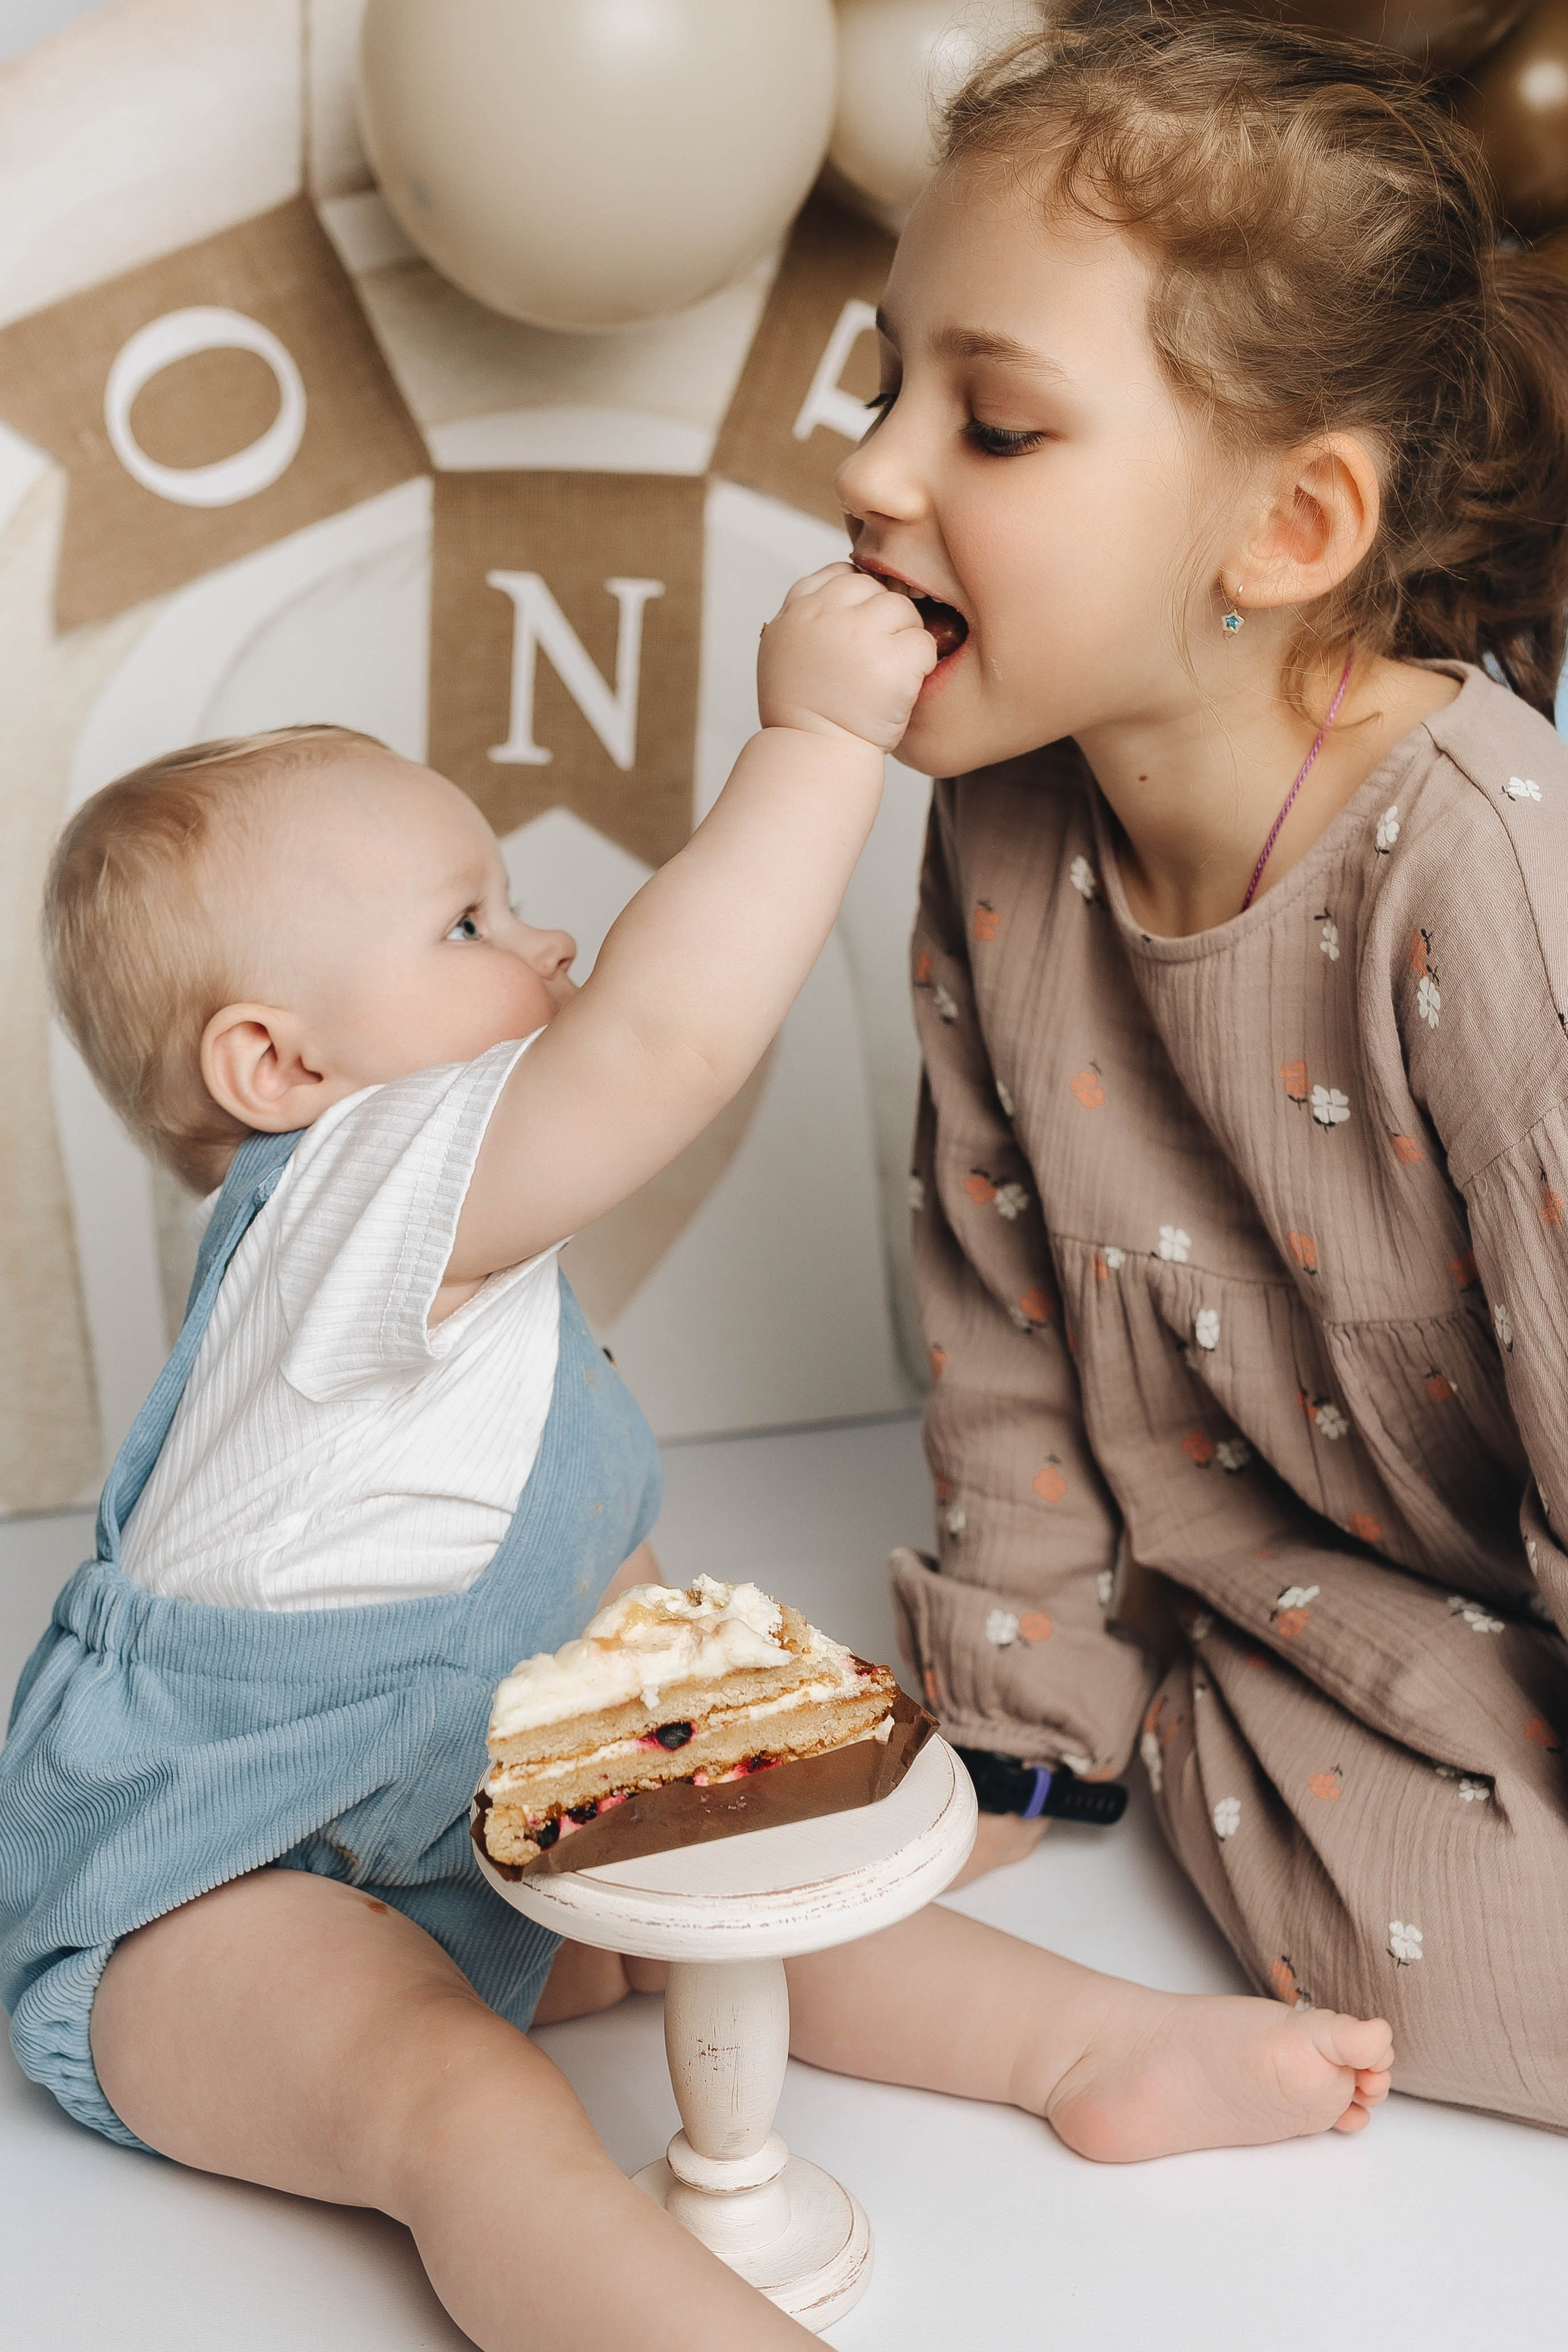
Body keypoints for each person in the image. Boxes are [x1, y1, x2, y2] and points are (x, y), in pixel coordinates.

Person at [1, 450, 1392, 2348]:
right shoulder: (354, 1190)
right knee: (457, 2104)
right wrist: (814, 739)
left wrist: (750, 1764)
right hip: (204, 1895)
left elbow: (573, 1573)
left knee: (767, 1906)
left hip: (444, 1825)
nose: (546, 943)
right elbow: (667, 1037)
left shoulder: (458, 1273)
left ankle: (1088, 2048)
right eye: (470, 925)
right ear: (278, 1061)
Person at [864, 7, 1568, 2130]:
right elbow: (991, 1297)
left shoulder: (1473, 874)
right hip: (1294, 1577)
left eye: (992, 430)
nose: (872, 470)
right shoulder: (998, 826)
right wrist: (1021, 1708)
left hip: (1516, 1575)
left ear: (1289, 532)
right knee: (1404, 1938)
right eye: (877, 382)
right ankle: (1173, 1697)